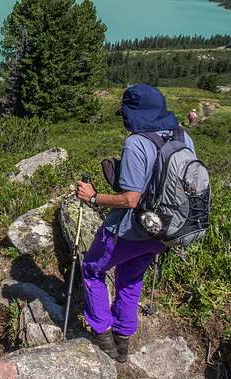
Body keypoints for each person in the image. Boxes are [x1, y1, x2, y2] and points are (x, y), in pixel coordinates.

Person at [76, 84, 195, 363]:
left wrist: (93, 198)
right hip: (166, 230)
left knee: (93, 269)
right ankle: (123, 341)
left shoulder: (136, 143)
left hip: (129, 231)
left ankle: (102, 335)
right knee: (131, 279)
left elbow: (131, 199)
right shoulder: (183, 136)